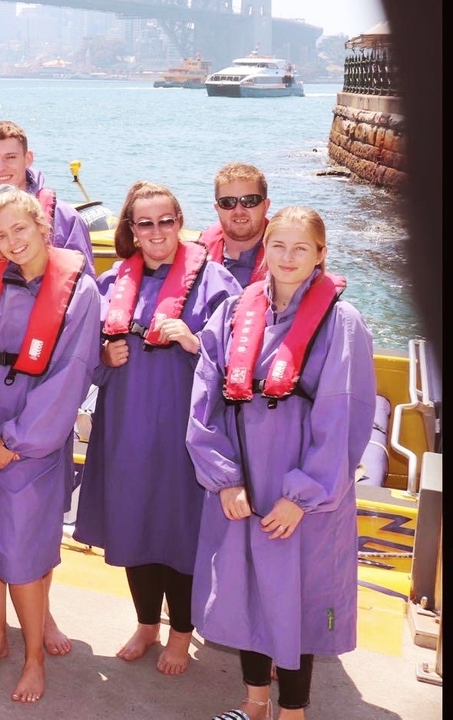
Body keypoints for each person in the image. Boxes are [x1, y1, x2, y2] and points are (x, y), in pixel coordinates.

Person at [190, 207, 375, 720]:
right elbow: (204, 402)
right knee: (246, 591)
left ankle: (293, 712)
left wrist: (302, 496)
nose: (287, 258)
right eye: (278, 246)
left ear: (321, 254)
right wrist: (225, 481)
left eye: (301, 248)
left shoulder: (343, 323)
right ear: (264, 250)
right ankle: (253, 706)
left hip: (306, 498)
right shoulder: (231, 315)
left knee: (298, 601)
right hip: (244, 486)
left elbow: (345, 419)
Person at [75, 182, 241, 676]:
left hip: (183, 433)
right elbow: (83, 359)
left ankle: (182, 631)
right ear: (130, 229)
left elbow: (238, 363)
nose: (156, 232)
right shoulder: (109, 285)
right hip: (125, 426)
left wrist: (194, 343)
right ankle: (146, 622)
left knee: (180, 532)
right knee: (132, 525)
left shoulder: (216, 284)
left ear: (179, 222)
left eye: (166, 220)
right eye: (144, 223)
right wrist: (105, 357)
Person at [0, 185, 99, 704]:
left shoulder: (79, 292)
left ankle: (33, 657)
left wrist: (16, 442)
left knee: (25, 554)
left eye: (22, 229)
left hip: (29, 443)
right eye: (1, 234)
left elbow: (70, 376)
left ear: (43, 226)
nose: (13, 242)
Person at [0, 120, 95, 276]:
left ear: (28, 158)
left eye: (11, 157)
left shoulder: (65, 218)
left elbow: (85, 284)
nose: (0, 167)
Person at [201, 162, 272, 287]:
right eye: (227, 202)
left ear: (265, 206)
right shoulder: (198, 257)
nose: (239, 211)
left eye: (250, 201)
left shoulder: (291, 260)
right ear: (217, 208)